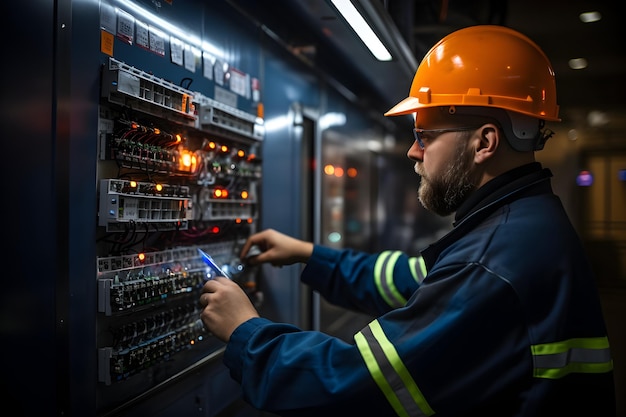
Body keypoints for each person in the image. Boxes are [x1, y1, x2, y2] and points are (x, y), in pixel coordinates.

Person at [199, 25, 616, 416]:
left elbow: (357, 383)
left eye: (425, 136)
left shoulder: (492, 261)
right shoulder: (520, 224)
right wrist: (310, 255)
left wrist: (246, 331)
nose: (413, 153)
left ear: (484, 142)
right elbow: (412, 279)